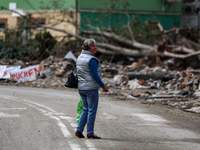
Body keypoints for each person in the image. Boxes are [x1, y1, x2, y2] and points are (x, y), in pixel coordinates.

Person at [75, 38, 110, 139]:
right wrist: (103, 86)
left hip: (81, 88)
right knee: (91, 110)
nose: (96, 47)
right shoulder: (92, 60)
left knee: (85, 109)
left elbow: (79, 73)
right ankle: (90, 132)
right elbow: (95, 74)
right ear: (89, 48)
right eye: (94, 46)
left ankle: (79, 130)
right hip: (91, 88)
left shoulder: (80, 57)